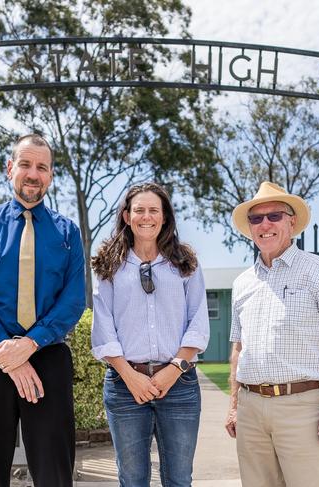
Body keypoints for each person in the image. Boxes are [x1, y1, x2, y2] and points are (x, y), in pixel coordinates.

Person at [0, 134, 85, 487]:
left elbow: (73, 300)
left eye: (42, 167)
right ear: (9, 168)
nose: (33, 173)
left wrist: (28, 346)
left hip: (48, 358)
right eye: (25, 164)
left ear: (50, 176)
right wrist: (7, 352)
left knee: (55, 475)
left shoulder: (68, 232)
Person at [224, 182, 319, 487]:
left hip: (304, 408)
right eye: (257, 219)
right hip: (250, 410)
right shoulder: (242, 284)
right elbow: (238, 349)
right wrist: (234, 406)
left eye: (274, 215)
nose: (265, 224)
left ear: (292, 221)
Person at [91, 182, 210, 487]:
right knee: (132, 479)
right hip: (124, 386)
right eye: (139, 210)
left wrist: (173, 370)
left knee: (179, 479)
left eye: (154, 210)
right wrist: (130, 377)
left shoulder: (186, 263)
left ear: (165, 217)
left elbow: (197, 322)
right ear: (127, 216)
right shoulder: (109, 265)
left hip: (179, 386)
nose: (147, 216)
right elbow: (103, 328)